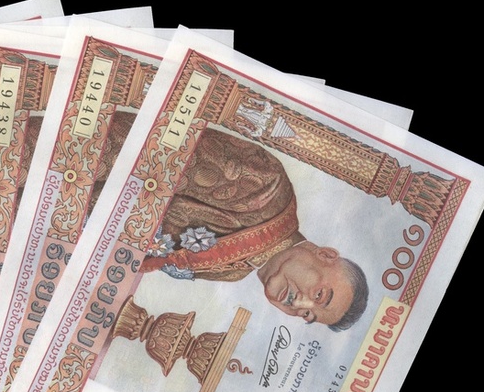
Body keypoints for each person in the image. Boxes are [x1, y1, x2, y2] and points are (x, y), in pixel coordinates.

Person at [139, 128, 368, 331]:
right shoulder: (269, 188)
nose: (298, 304)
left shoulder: (233, 273)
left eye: (308, 315)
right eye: (319, 295)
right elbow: (159, 153)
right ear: (325, 255)